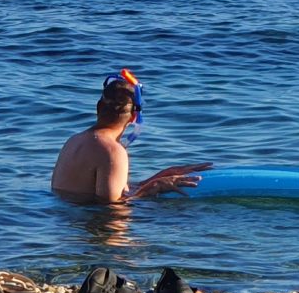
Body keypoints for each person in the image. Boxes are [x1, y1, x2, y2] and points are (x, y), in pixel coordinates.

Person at [50, 71, 208, 202]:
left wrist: (158, 177)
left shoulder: (74, 141)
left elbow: (95, 192)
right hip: (91, 227)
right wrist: (154, 187)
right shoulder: (112, 151)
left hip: (68, 225)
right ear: (133, 117)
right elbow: (111, 210)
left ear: (98, 107)